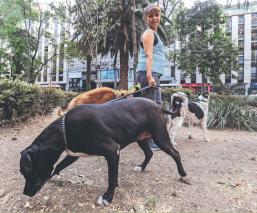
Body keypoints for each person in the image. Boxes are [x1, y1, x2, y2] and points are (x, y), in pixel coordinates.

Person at [136, 3, 165, 151]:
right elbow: (148, 55)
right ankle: (151, 141)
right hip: (148, 73)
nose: (154, 18)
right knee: (152, 109)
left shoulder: (154, 33)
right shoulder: (148, 33)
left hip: (153, 74)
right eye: (150, 15)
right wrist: (149, 76)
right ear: (146, 18)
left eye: (157, 15)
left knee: (156, 106)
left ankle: (150, 139)